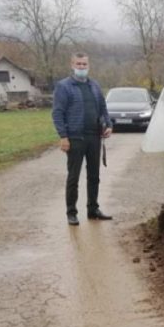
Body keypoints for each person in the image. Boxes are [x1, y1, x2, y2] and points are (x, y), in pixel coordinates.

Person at [52, 53, 113, 226]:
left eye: (84, 64)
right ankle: (71, 212)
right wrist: (63, 136)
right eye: (78, 64)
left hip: (94, 136)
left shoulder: (94, 85)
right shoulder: (64, 86)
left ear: (88, 65)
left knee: (94, 176)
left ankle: (93, 209)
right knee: (73, 177)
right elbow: (57, 113)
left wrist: (108, 124)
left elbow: (103, 108)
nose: (81, 67)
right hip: (75, 138)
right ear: (72, 65)